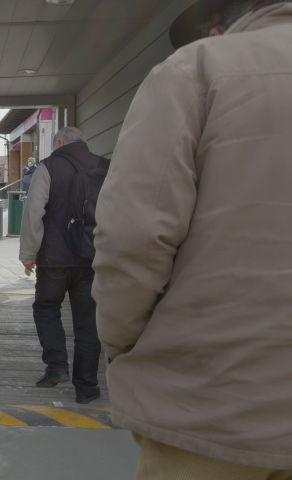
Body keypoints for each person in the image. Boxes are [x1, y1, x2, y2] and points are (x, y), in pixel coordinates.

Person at [93, 0, 292, 477]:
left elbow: (133, 237)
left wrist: (124, 345)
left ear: (223, 22)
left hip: (215, 401)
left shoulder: (197, 69)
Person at [19, 127, 102, 405]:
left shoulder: (49, 166)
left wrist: (29, 253)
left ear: (60, 142)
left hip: (54, 258)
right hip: (92, 258)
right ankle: (87, 387)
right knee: (88, 323)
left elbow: (34, 212)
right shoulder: (104, 165)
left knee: (46, 308)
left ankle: (56, 366)